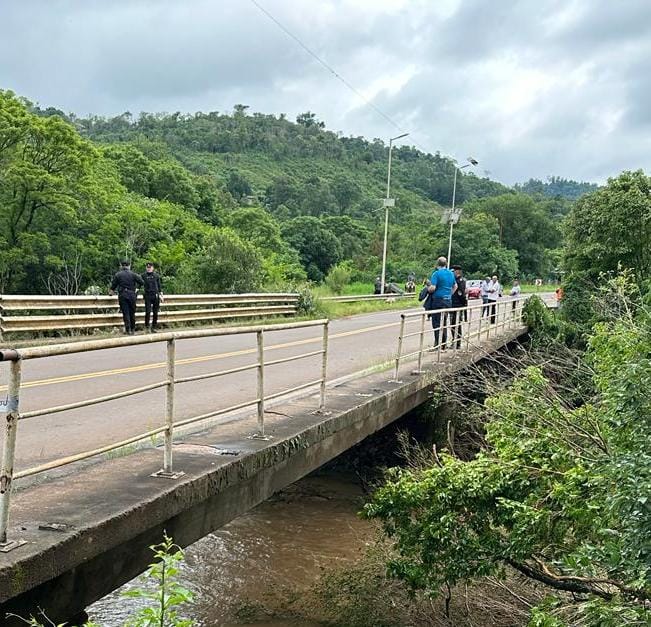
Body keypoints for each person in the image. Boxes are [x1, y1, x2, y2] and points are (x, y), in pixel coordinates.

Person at [427, 256, 457, 348]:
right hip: (448, 301)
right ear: (446, 264)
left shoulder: (436, 274)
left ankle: (438, 345)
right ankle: (443, 344)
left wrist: (428, 287)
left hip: (438, 301)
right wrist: (449, 294)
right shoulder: (451, 274)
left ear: (437, 264)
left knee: (437, 323)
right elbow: (455, 286)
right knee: (443, 321)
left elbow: (433, 288)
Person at [109, 260, 144, 335]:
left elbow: (113, 286)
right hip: (132, 294)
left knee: (126, 313)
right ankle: (133, 329)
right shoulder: (133, 274)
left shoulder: (118, 275)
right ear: (129, 266)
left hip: (123, 295)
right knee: (132, 312)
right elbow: (142, 282)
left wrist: (111, 293)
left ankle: (128, 330)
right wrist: (137, 289)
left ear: (121, 266)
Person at [142, 262, 163, 332]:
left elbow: (159, 286)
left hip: (155, 295)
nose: (149, 269)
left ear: (153, 268)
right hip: (147, 295)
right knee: (147, 311)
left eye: (150, 267)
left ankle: (154, 327)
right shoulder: (143, 275)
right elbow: (139, 284)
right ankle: (147, 326)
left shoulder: (156, 276)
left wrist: (161, 295)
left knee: (155, 312)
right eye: (147, 267)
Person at [450, 265, 467, 349]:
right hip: (453, 305)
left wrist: (463, 304)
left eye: (453, 271)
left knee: (456, 324)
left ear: (457, 271)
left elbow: (461, 294)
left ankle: (457, 343)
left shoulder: (460, 281)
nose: (452, 272)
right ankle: (455, 341)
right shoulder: (455, 280)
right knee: (453, 324)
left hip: (457, 305)